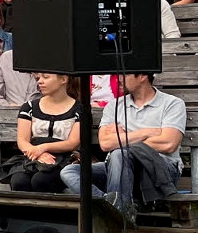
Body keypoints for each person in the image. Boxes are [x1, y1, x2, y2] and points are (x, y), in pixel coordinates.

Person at [62, 73, 184, 216]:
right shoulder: (115, 105)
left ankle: (118, 214)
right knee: (69, 172)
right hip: (119, 166)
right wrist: (144, 132)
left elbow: (168, 144)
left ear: (143, 76)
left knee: (120, 153)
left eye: (124, 74)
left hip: (161, 169)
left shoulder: (172, 103)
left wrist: (121, 138)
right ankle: (112, 205)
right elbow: (106, 144)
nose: (119, 78)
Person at [6, 73, 82, 193]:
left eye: (45, 77)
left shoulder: (79, 109)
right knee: (19, 182)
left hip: (64, 159)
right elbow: (22, 140)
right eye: (38, 78)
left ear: (63, 79)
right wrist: (38, 153)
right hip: (33, 157)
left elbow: (73, 143)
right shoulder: (29, 107)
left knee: (41, 181)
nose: (40, 81)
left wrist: (43, 148)